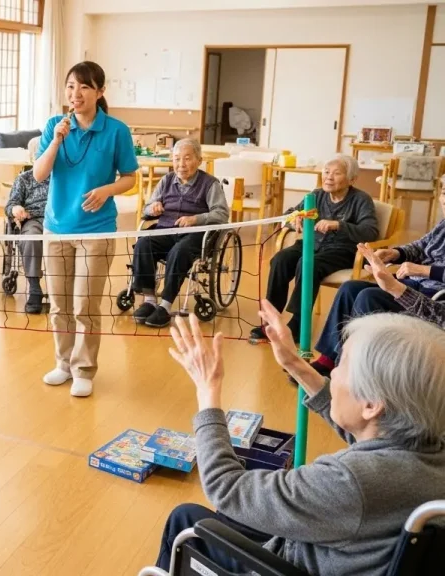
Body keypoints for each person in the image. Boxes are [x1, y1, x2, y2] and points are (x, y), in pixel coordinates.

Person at [157, 306, 445, 574]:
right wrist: (295, 364)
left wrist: (208, 390)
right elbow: (370, 432)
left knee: (185, 520)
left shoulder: (347, 483)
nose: (331, 370)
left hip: (283, 567)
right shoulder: (427, 449)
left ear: (371, 403)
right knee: (234, 515)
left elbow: (225, 487)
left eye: (342, 365)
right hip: (342, 547)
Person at [33, 61, 138, 397]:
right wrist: (55, 141)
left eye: (84, 87)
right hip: (56, 227)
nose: (75, 94)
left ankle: (84, 369)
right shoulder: (54, 126)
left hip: (96, 230)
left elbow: (130, 178)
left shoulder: (117, 130)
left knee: (85, 305)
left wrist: (107, 190)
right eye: (70, 87)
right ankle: (63, 363)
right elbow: (38, 175)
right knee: (60, 304)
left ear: (100, 92)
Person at [249, 154, 379, 344]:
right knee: (280, 259)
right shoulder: (316, 195)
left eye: (336, 173)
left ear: (352, 179)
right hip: (311, 243)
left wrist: (338, 225)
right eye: (326, 172)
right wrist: (295, 219)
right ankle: (272, 319)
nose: (329, 177)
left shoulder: (361, 199)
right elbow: (288, 215)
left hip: (341, 250)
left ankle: (298, 323)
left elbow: (370, 231)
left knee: (308, 263)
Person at [311, 200, 445, 375]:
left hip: (435, 297)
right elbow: (420, 247)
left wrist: (427, 270)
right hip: (416, 284)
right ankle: (328, 359)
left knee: (369, 297)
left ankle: (349, 370)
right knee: (350, 288)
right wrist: (395, 253)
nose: (444, 199)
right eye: (443, 192)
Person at [131, 138, 229, 328]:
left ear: (199, 160)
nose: (181, 165)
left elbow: (222, 214)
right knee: (144, 243)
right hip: (166, 229)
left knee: (179, 251)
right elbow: (146, 209)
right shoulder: (166, 180)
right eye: (177, 159)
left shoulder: (210, 184)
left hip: (195, 234)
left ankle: (165, 306)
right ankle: (150, 300)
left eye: (187, 159)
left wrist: (196, 219)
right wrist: (153, 208)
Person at [5, 138, 50, 314]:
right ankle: (34, 288)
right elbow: (10, 205)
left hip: (60, 220)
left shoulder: (63, 177)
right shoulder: (24, 179)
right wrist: (16, 208)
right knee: (30, 237)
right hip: (33, 220)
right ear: (32, 158)